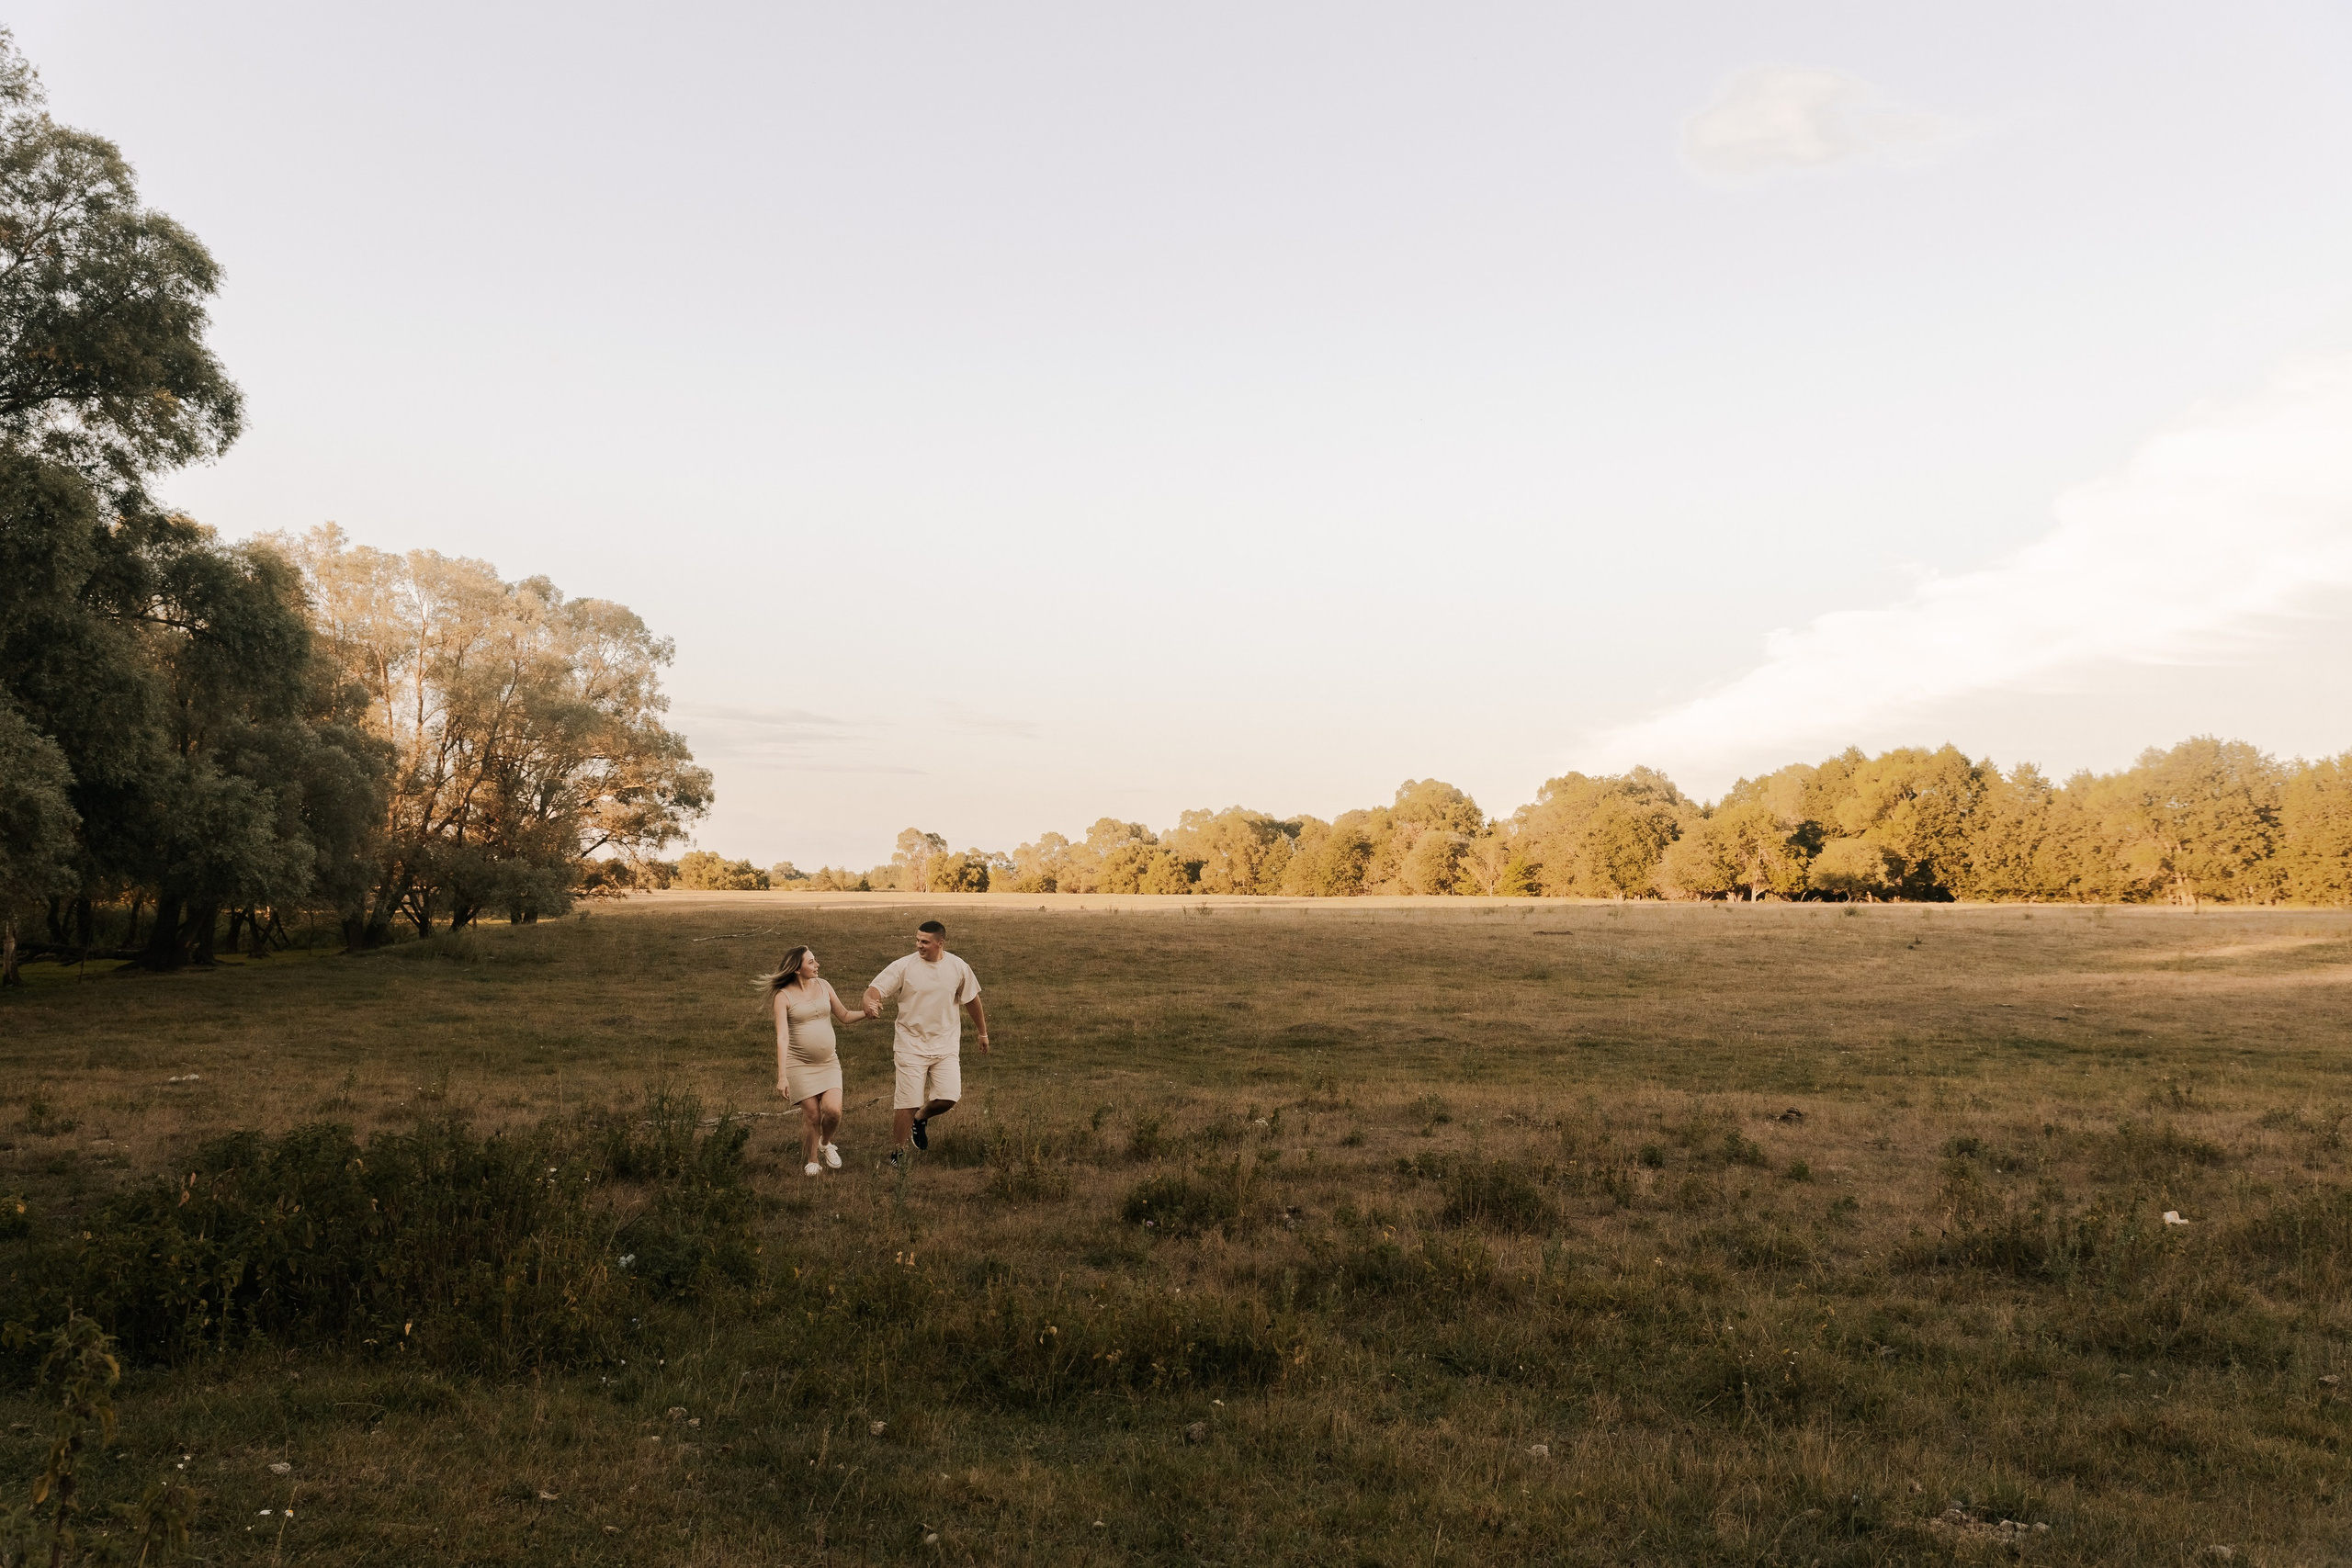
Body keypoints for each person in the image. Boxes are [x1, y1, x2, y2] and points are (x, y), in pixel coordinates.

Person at [864, 919, 989, 1163]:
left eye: (925, 942)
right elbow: (874, 989)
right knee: (907, 1102)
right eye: (917, 940)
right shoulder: (904, 966)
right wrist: (869, 1003)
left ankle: (920, 1118)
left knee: (949, 1098)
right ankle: (898, 1154)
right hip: (910, 1045)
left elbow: (972, 1000)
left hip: (945, 1045)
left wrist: (982, 1033)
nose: (918, 945)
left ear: (940, 943)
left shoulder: (958, 967)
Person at [762, 945, 871, 1177]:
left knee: (833, 1111)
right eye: (811, 962)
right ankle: (812, 1161)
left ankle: (825, 1143)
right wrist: (782, 1077)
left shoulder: (824, 986)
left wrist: (866, 1013)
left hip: (828, 1062)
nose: (817, 965)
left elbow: (844, 1015)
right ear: (797, 969)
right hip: (799, 1064)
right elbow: (782, 1037)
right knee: (812, 1115)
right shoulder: (783, 997)